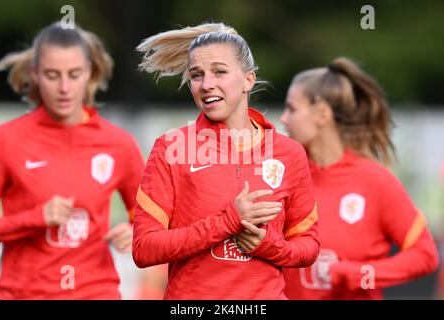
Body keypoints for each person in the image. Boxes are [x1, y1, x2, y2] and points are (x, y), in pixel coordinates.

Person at [132, 22, 320, 299]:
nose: (207, 85)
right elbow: (144, 248)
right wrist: (228, 221)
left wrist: (268, 246)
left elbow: (308, 246)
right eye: (197, 75)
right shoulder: (171, 148)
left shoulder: (288, 153)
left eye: (220, 72)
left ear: (248, 80)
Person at [0, 22, 145, 299]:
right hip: (24, 294)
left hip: (96, 292)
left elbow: (153, 222)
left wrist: (135, 234)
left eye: (74, 74)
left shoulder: (119, 144)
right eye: (53, 75)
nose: (64, 87)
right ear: (35, 74)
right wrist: (35, 218)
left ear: (89, 73)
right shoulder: (5, 141)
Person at [280, 57, 439, 299]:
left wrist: (355, 273)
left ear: (322, 114)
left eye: (292, 109)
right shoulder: (283, 178)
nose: (283, 118)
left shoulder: (376, 181)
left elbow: (425, 255)